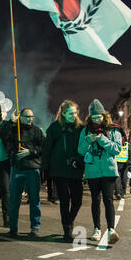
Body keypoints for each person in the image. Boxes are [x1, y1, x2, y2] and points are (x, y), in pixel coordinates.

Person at [78, 99, 121, 244]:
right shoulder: (85, 131)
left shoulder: (113, 129)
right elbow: (80, 150)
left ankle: (111, 230)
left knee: (108, 200)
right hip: (93, 171)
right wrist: (87, 140)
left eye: (99, 116)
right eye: (94, 117)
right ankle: (97, 229)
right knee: (95, 200)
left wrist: (102, 139)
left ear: (104, 115)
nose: (97, 119)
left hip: (109, 170)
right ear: (90, 117)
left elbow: (117, 149)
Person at [42, 100, 84, 242]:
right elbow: (47, 149)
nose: (74, 115)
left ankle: (69, 220)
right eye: (71, 113)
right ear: (64, 113)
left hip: (75, 168)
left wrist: (78, 160)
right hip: (59, 169)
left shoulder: (80, 128)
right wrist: (45, 169)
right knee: (64, 200)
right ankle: (67, 230)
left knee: (77, 200)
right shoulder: (54, 128)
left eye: (75, 113)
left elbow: (83, 147)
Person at [0, 108, 44, 237]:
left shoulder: (37, 131)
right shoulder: (14, 129)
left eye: (31, 116)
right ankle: (13, 227)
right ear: (20, 117)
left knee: (34, 199)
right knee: (14, 200)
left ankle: (35, 227)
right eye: (27, 116)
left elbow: (43, 147)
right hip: (17, 168)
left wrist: (31, 151)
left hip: (32, 168)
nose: (30, 119)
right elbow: (1, 135)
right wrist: (10, 122)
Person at [114, 128, 131, 199]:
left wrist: (129, 162)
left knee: (124, 180)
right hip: (116, 164)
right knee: (117, 179)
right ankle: (118, 193)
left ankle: (123, 192)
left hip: (125, 165)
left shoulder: (128, 145)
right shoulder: (115, 144)